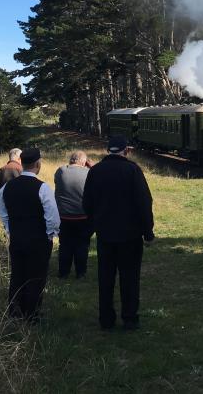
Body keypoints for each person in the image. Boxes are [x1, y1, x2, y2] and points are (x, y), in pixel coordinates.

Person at [83, 136, 154, 331]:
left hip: (105, 235)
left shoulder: (95, 171)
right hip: (130, 236)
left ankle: (106, 319)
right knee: (130, 278)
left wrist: (93, 226)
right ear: (126, 151)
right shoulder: (133, 170)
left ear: (108, 150)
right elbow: (144, 203)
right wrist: (148, 233)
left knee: (105, 278)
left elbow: (87, 203)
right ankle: (130, 319)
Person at [0, 148, 60, 323]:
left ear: (22, 164)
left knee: (17, 274)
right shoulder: (43, 188)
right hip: (39, 239)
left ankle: (15, 312)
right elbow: (53, 216)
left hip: (17, 238)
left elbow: (3, 214)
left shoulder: (6, 188)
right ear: (38, 164)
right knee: (36, 276)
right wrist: (50, 234)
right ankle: (31, 315)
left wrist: (11, 230)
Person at [54, 150, 92, 279]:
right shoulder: (88, 173)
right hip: (83, 216)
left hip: (63, 216)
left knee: (65, 244)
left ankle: (63, 272)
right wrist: (90, 165)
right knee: (82, 245)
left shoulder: (61, 171)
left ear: (71, 159)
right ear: (83, 161)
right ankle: (80, 273)